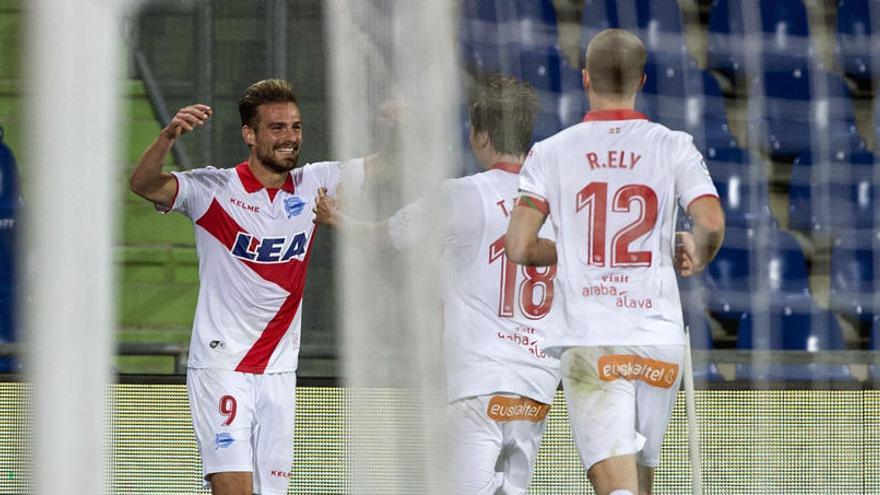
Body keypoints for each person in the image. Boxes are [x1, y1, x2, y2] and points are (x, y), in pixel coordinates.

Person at [315, 73, 561, 494]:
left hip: (481, 382)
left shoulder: (463, 196)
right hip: (536, 382)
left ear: (479, 136)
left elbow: (387, 236)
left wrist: (337, 219)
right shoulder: (556, 202)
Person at [504, 29, 725, 495]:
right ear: (641, 80)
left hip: (594, 340)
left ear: (585, 78)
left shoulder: (551, 152)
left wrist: (577, 250)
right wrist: (697, 251)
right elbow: (711, 221)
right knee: (640, 483)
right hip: (658, 343)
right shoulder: (673, 145)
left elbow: (520, 246)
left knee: (617, 488)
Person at [129, 79, 367, 495]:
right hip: (222, 366)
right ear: (250, 135)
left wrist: (400, 123)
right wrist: (168, 137)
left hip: (279, 371)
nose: (290, 137)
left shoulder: (317, 183)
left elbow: (391, 164)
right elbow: (144, 184)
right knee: (233, 487)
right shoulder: (213, 189)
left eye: (295, 126)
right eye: (277, 128)